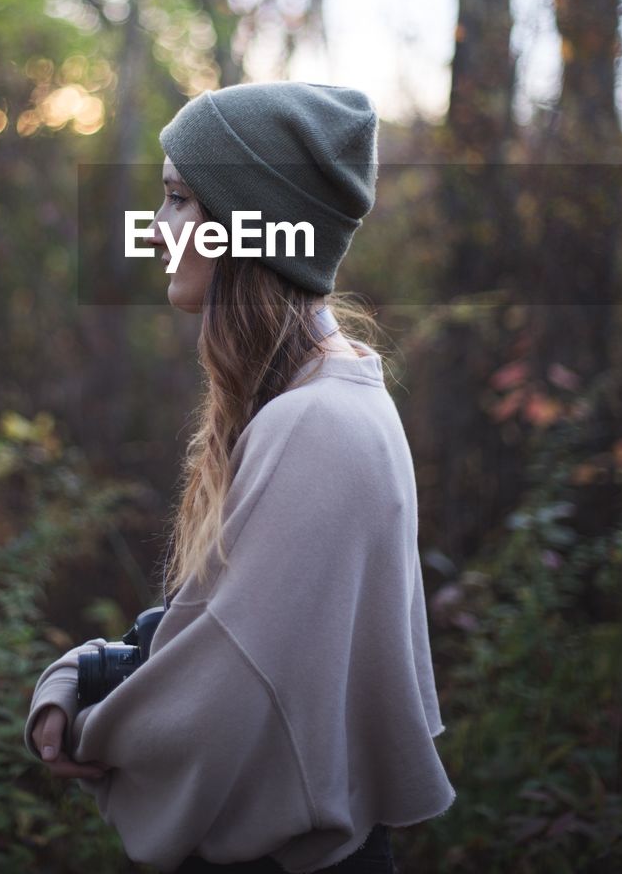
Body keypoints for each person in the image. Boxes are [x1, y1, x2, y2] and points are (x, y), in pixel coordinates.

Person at [24, 82, 456, 873]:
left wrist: (86, 718)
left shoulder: (315, 425)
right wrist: (99, 663)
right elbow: (236, 626)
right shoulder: (330, 396)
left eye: (179, 200)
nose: (156, 232)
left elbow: (217, 700)